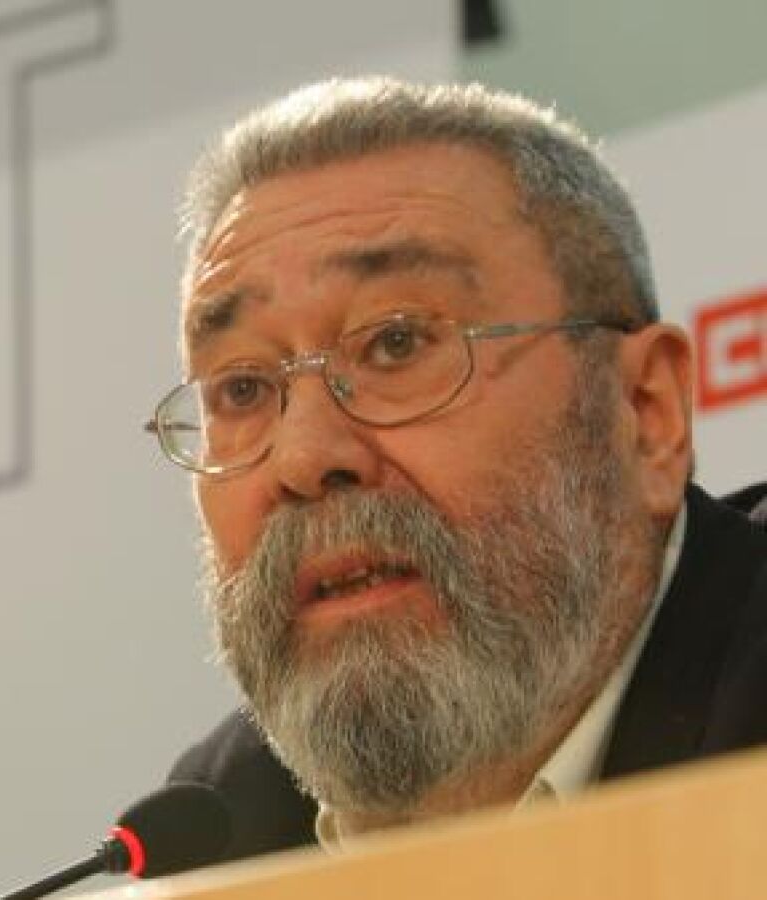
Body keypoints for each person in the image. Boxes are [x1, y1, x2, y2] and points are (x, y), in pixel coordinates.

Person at [146, 77, 767, 861]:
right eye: (242, 389)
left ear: (645, 411)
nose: (304, 458)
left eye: (396, 343)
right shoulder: (228, 834)